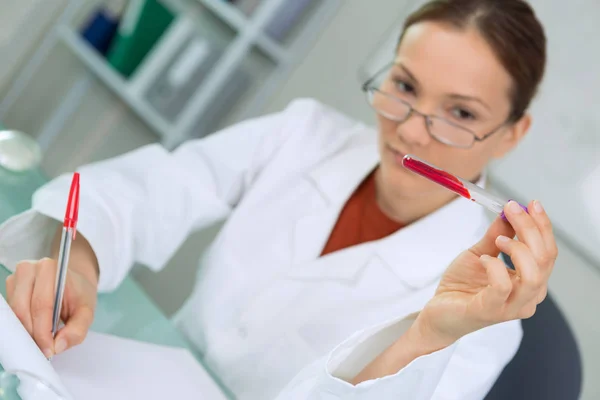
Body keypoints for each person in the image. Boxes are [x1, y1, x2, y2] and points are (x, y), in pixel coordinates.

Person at [0, 0, 556, 398]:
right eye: (405, 88)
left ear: (512, 132)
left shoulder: (489, 322)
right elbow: (155, 189)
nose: (411, 132)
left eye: (461, 114)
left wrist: (426, 336)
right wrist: (81, 265)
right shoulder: (304, 134)